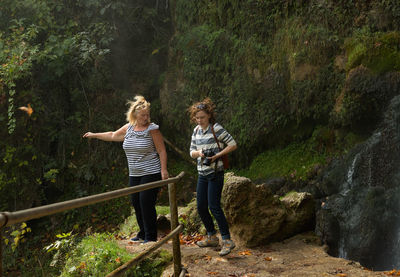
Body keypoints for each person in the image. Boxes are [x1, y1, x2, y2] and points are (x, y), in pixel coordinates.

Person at [83, 95, 169, 243]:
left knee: (145, 202)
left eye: (147, 114)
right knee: (136, 202)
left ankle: (150, 237)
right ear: (135, 115)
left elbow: (161, 150)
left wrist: (163, 170)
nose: (146, 117)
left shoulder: (152, 129)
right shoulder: (128, 128)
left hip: (151, 171)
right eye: (143, 115)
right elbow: (112, 135)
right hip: (135, 173)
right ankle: (142, 233)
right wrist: (95, 135)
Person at [188, 97, 237, 256]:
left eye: (202, 117)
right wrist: (200, 153)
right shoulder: (196, 131)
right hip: (202, 173)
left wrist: (218, 155)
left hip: (216, 173)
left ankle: (227, 240)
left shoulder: (216, 129)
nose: (200, 120)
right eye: (197, 117)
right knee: (201, 206)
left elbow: (233, 144)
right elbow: (191, 152)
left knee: (214, 206)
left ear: (209, 115)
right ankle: (211, 236)